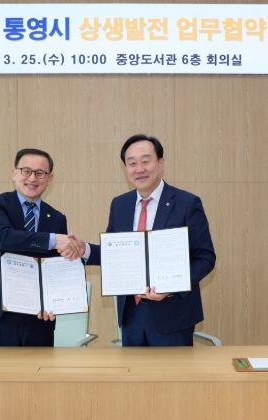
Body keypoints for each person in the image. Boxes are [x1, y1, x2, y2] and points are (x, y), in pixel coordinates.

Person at [81, 134, 216, 346]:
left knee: (171, 369)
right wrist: (84, 250)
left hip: (173, 316)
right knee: (133, 368)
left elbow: (205, 258)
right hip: (132, 315)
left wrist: (172, 287)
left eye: (145, 161)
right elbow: (114, 253)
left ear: (160, 163)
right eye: (132, 163)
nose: (139, 169)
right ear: (126, 168)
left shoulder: (187, 203)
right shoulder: (120, 204)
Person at [0, 148, 83, 346]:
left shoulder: (57, 218)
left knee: (39, 365)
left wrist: (54, 301)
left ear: (49, 179)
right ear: (14, 173)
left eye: (40, 173)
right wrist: (53, 240)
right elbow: (4, 238)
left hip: (39, 315)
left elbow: (55, 266)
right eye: (26, 171)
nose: (32, 178)